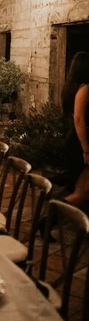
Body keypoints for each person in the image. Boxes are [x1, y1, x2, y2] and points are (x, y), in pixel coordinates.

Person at [61, 51, 89, 208]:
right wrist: (86, 150)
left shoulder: (71, 87)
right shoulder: (84, 87)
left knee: (82, 189)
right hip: (80, 142)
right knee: (81, 191)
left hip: (74, 139)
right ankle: (51, 215)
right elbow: (78, 118)